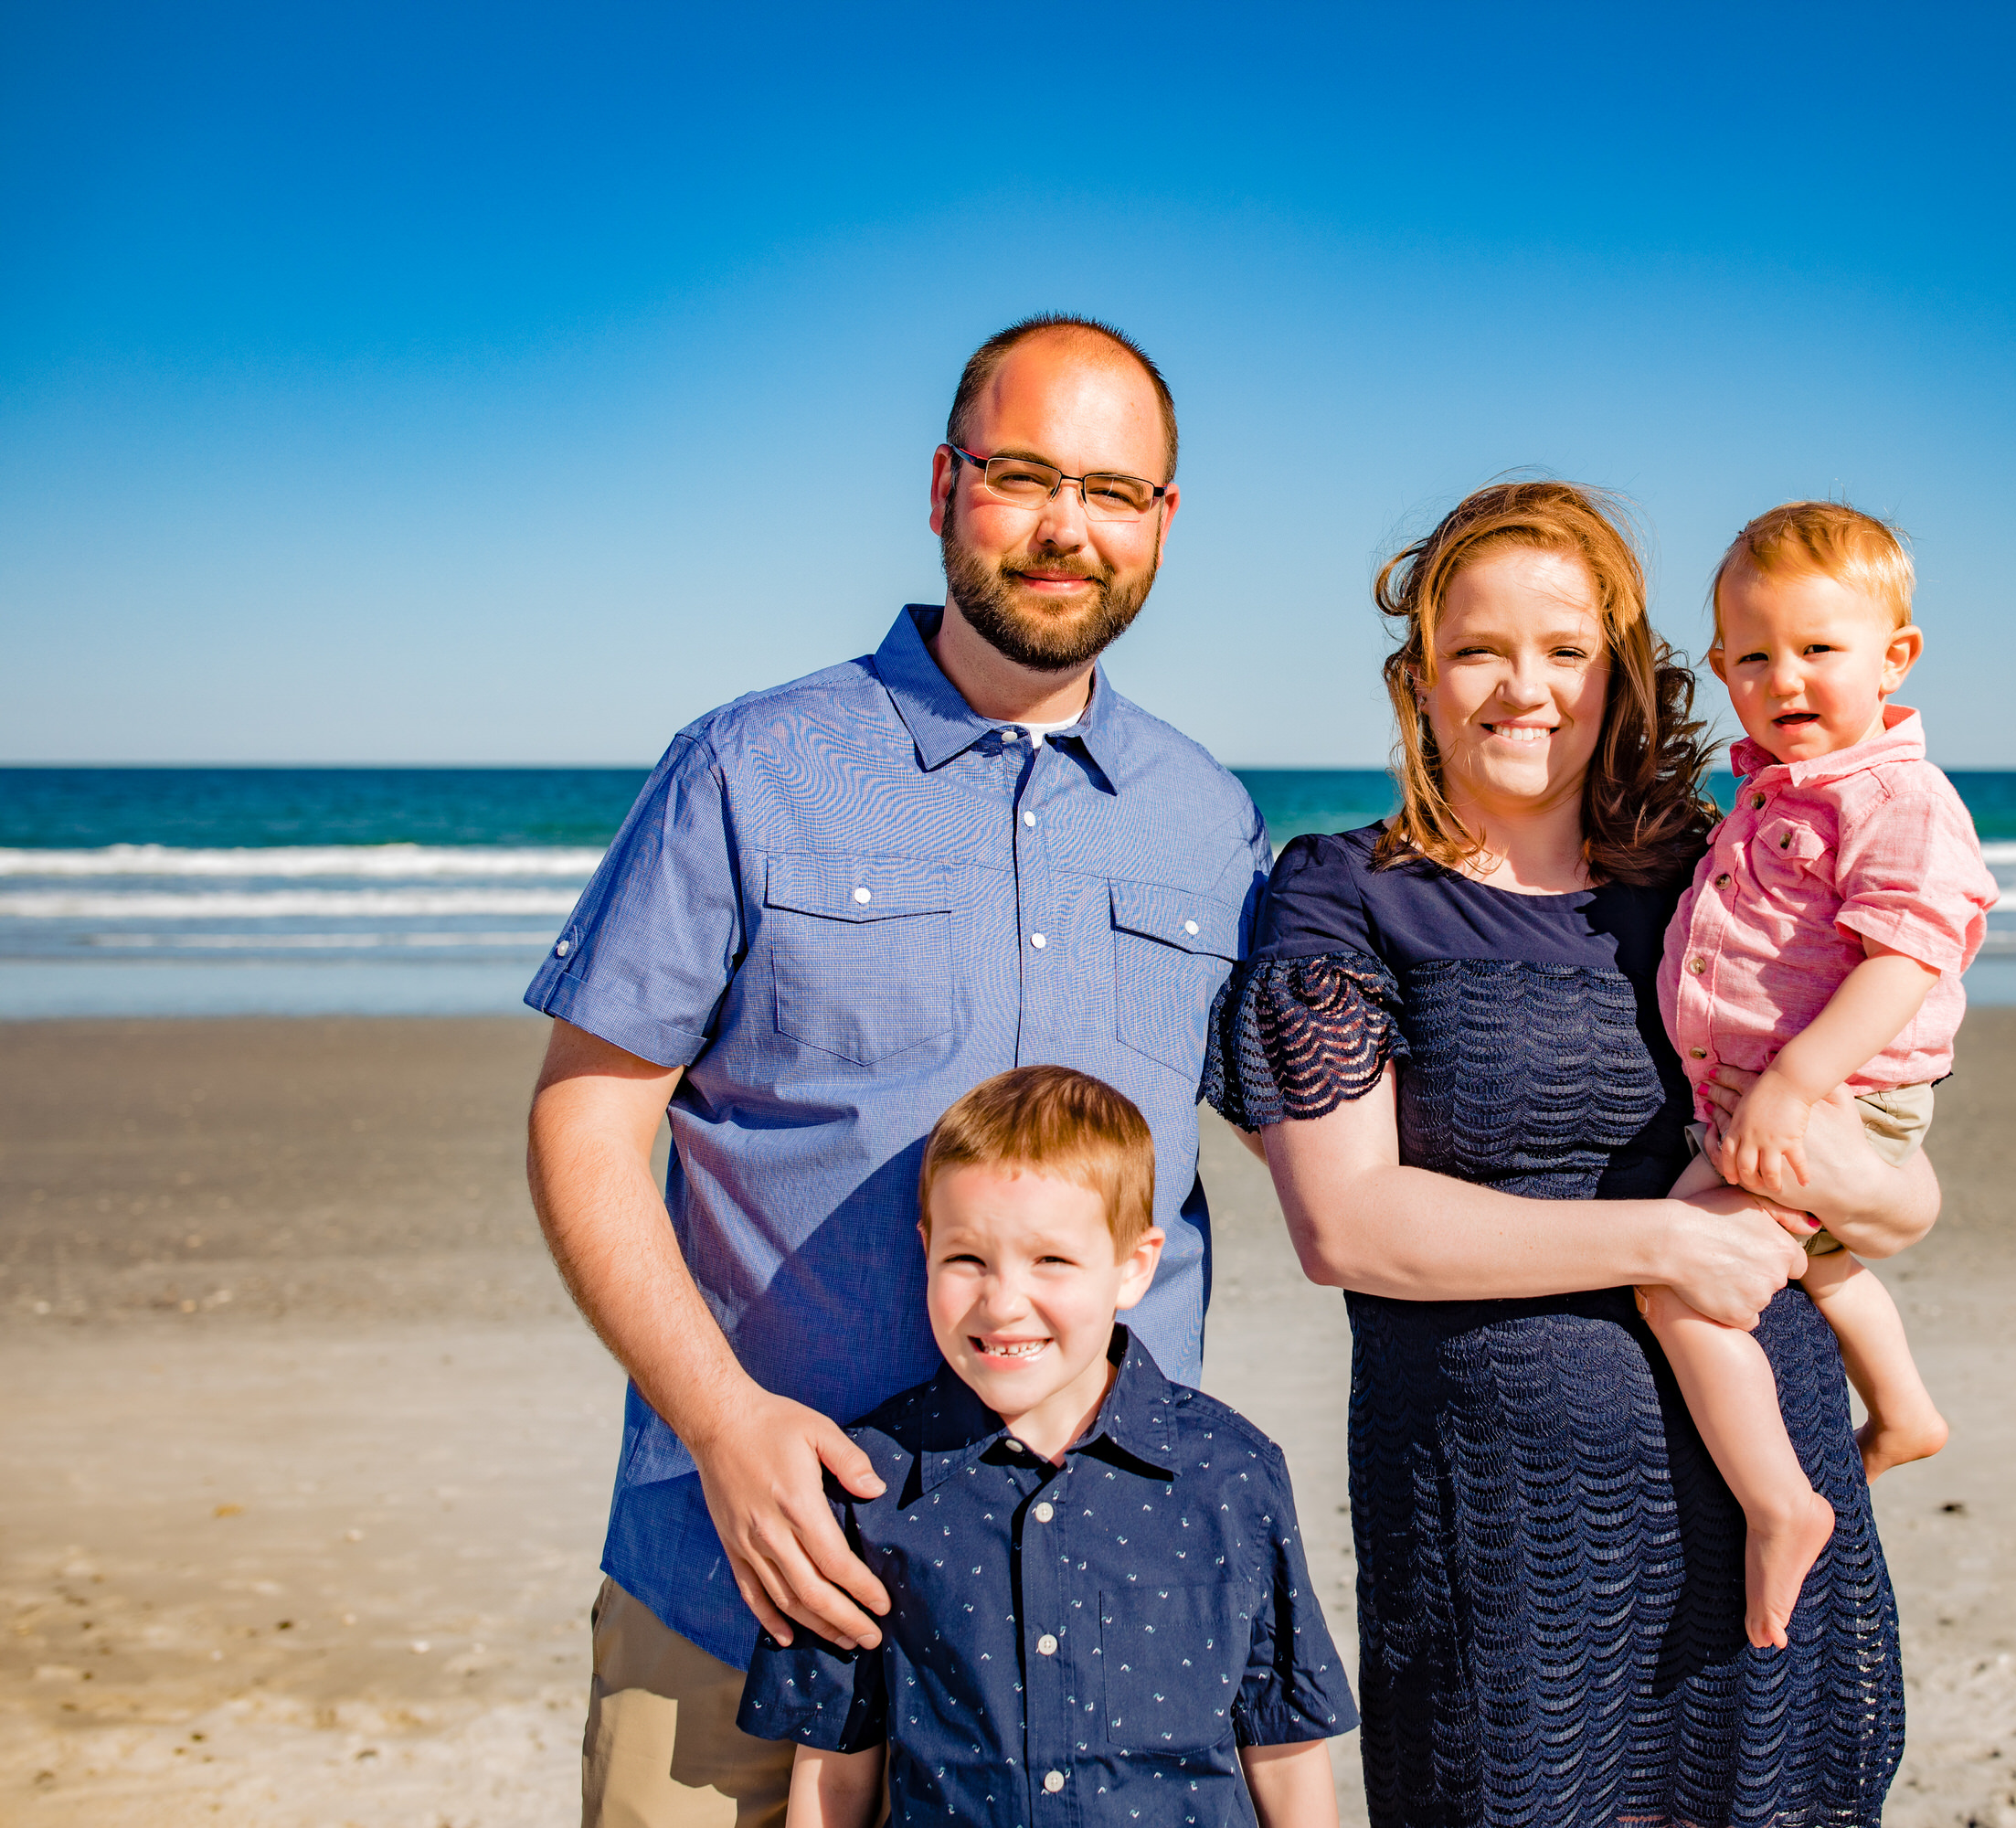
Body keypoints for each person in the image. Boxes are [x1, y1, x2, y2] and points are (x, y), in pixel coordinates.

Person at [524, 314, 1271, 1825]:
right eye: (1024, 475)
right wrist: (722, 1425)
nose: (1066, 527)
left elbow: (1344, 1146)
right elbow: (585, 1127)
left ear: (1164, 520)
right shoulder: (748, 768)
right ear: (945, 486)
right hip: (744, 1590)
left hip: (1092, 1641)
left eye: (1113, 491)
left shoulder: (1211, 822)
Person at [1203, 481, 1936, 1826]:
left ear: (1624, 677)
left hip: (1768, 1503)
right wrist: (1670, 1241)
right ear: (1419, 677)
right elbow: (1346, 1227)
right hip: (1503, 1541)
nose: (1522, 688)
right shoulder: (1346, 893)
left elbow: (1896, 1192)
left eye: (1564, 650)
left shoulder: (1725, 876)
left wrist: (1868, 1190)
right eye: (1477, 649)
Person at [740, 1066, 1355, 1828]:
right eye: (967, 1259)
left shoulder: (1231, 1473)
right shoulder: (867, 1487)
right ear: (925, 1249)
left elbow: (1285, 1750)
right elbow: (834, 1778)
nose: (1003, 1303)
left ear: (1134, 1267)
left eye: (1052, 1261)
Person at [1646, 500, 1999, 1650]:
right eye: (1755, 656)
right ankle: (1903, 1408)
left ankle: (1780, 1500)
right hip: (1780, 1098)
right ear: (1721, 670)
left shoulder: (1898, 798)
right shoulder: (1771, 790)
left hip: (1828, 1100)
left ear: (1894, 656)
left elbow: (1909, 954)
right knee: (1829, 1260)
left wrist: (1796, 1082)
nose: (1784, 677)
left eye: (1818, 648)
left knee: (1675, 1276)